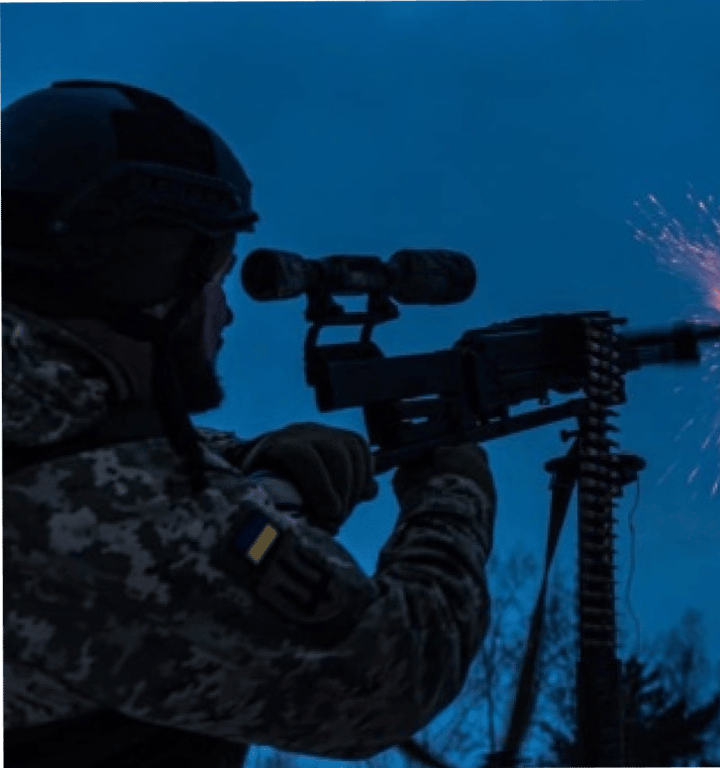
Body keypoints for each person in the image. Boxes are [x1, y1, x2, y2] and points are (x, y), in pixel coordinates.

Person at [2, 80, 498, 768]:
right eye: (216, 280)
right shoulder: (105, 517)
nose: (227, 315)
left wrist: (248, 457)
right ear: (150, 274)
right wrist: (453, 489)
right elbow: (395, 674)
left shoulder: (35, 419)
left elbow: (86, 441)